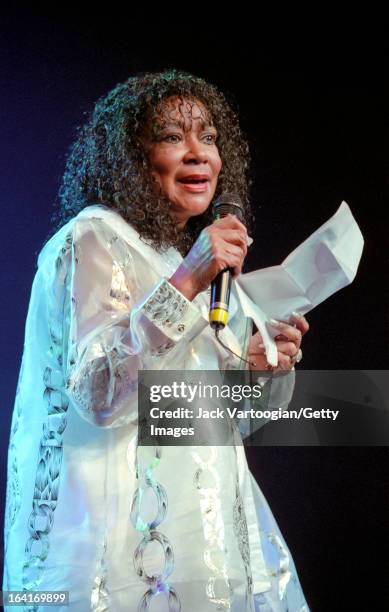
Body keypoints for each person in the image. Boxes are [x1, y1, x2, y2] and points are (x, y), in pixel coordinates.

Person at [3, 70, 310, 611]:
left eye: (208, 138)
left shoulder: (182, 260)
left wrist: (263, 372)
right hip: (122, 551)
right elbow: (100, 396)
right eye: (172, 137)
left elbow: (217, 422)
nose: (199, 155)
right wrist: (189, 279)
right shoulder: (94, 236)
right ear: (132, 156)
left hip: (207, 540)